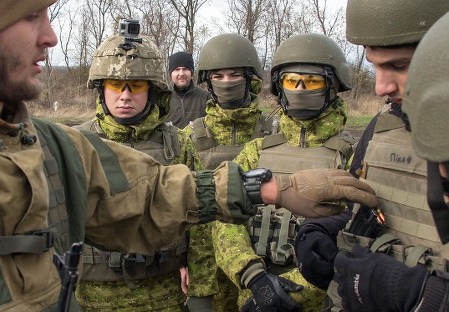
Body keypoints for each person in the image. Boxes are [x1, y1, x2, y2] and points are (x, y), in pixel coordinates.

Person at [0, 1, 379, 310]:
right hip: (96, 293)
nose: (52, 36)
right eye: (29, 15)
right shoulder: (78, 139)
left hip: (169, 290)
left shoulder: (51, 146)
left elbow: (163, 196)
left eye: (137, 85)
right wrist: (253, 274)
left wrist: (270, 190)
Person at [293, 1, 449, 311]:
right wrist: (326, 232)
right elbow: (364, 206)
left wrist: (427, 295)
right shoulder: (381, 128)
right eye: (373, 64)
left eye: (400, 66)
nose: (380, 87)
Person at [212, 33, 355, 312]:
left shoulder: (349, 157)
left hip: (317, 301)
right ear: (280, 87)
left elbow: (353, 242)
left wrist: (293, 292)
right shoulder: (256, 150)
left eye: (312, 81)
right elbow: (224, 216)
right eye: (292, 81)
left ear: (333, 85)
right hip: (252, 295)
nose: (300, 89)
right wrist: (253, 277)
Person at [73, 34, 202, 311]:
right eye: (116, 85)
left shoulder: (178, 144)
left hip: (164, 293)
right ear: (101, 88)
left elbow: (202, 215)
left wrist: (199, 279)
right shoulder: (75, 144)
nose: (125, 95)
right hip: (94, 297)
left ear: (153, 89)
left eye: (137, 85)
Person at [182, 33, 277, 311]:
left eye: (234, 75)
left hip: (260, 258)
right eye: (218, 76)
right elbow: (180, 200)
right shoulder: (191, 135)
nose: (226, 82)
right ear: (207, 82)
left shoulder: (273, 133)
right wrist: (181, 260)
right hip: (205, 261)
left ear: (251, 79)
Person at [165, 51, 209, 128]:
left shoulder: (206, 97)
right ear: (170, 74)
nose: (181, 73)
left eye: (185, 69)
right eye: (177, 69)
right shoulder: (162, 99)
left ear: (191, 72)